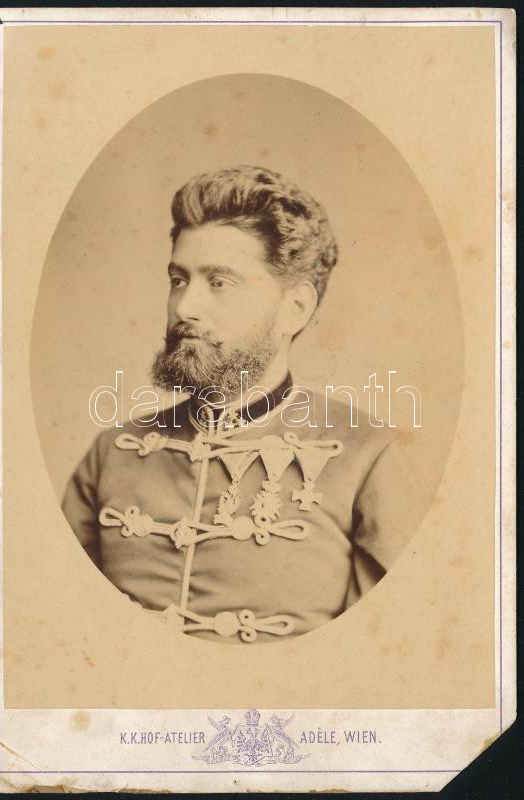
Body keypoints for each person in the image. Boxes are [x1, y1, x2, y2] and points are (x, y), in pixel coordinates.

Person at [63, 165, 423, 644]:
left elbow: (379, 655)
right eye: (178, 279)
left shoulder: (365, 456)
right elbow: (63, 632)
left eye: (219, 282)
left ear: (295, 308)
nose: (184, 307)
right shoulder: (112, 454)